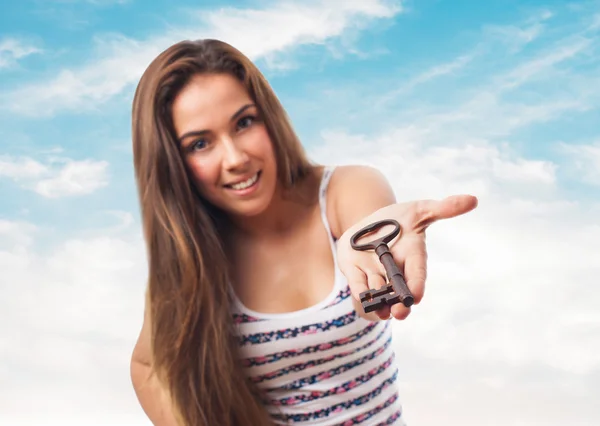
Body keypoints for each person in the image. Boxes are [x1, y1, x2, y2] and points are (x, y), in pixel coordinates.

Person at [129, 39, 478, 426]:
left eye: (244, 122)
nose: (236, 159)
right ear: (172, 164)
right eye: (200, 144)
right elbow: (147, 365)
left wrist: (373, 253)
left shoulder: (345, 190)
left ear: (269, 117)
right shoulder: (191, 257)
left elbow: (370, 241)